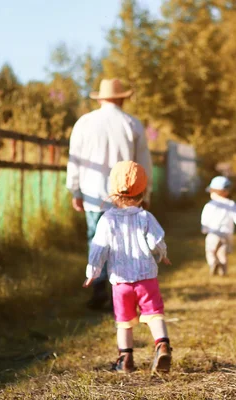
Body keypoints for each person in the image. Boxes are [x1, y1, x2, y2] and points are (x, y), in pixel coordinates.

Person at [66, 78, 153, 310]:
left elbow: (75, 158)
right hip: (126, 194)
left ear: (101, 98)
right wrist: (146, 191)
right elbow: (144, 161)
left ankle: (98, 288)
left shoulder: (84, 123)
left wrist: (75, 189)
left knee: (97, 240)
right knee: (124, 243)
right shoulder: (132, 124)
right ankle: (122, 292)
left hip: (93, 192)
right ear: (122, 98)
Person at [82, 161, 172, 374]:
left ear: (112, 191)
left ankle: (125, 360)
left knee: (124, 322)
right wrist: (163, 254)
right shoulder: (145, 217)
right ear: (142, 192)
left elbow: (98, 249)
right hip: (146, 278)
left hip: (121, 282)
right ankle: (162, 345)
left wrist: (92, 273)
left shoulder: (107, 219)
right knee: (154, 314)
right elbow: (155, 241)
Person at [200, 176, 236, 276]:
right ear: (227, 192)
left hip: (213, 233)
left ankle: (213, 262)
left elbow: (205, 219)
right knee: (222, 254)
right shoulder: (231, 204)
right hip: (226, 234)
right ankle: (223, 272)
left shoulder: (210, 205)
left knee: (210, 251)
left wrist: (204, 229)